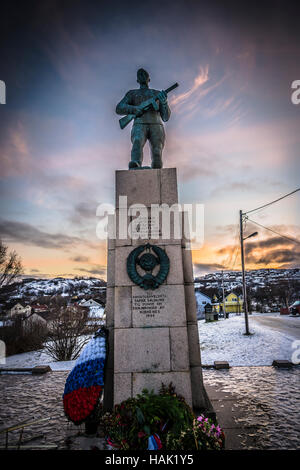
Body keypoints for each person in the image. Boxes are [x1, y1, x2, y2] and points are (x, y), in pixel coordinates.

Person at [116, 68, 171, 169]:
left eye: (144, 74)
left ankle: (157, 170)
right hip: (139, 124)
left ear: (149, 79)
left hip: (156, 125)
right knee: (137, 142)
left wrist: (164, 103)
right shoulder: (132, 94)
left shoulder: (157, 94)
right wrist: (134, 109)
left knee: (157, 151)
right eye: (139, 74)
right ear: (137, 80)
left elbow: (165, 117)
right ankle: (135, 163)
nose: (142, 75)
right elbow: (119, 108)